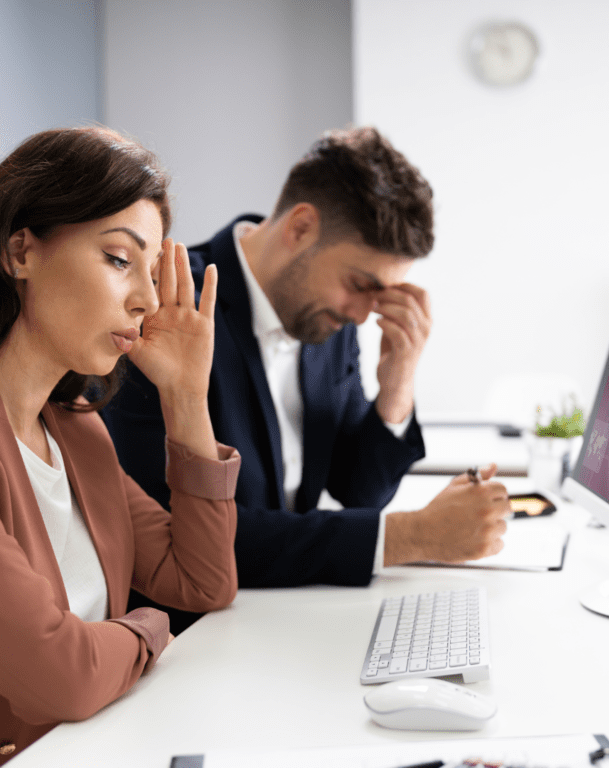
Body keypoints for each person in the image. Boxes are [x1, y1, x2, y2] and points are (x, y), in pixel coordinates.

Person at [103, 126, 509, 606]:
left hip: (288, 607)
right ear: (300, 228)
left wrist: (398, 382)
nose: (363, 315)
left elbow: (358, 491)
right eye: (359, 284)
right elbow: (181, 529)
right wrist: (412, 535)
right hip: (190, 628)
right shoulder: (167, 311)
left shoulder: (325, 321)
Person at [0, 127, 241, 762]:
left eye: (151, 268)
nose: (146, 299)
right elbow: (63, 676)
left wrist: (187, 398)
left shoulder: (77, 432)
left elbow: (203, 583)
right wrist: (146, 628)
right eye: (118, 259)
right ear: (20, 250)